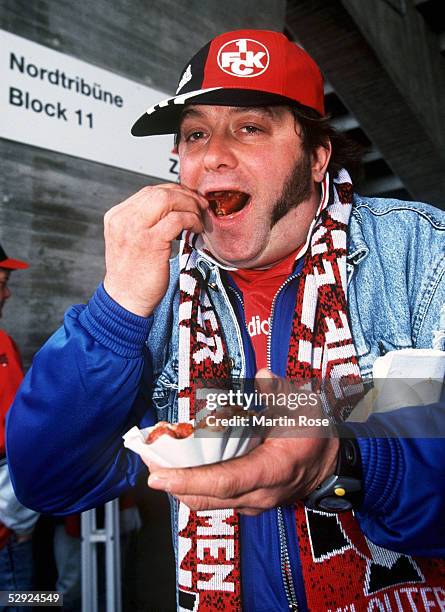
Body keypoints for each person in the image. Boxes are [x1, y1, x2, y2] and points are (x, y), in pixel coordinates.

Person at [6, 29, 445, 611]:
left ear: (317, 158)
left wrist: (345, 463)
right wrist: (118, 309)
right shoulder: (156, 293)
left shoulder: (421, 251)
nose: (212, 155)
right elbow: (50, 480)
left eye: (249, 127)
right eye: (195, 134)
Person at [0, 244, 39, 604]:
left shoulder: (4, 343)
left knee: (28, 598)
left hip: (13, 519)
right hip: (7, 525)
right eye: (1, 282)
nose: (8, 293)